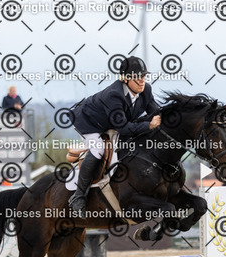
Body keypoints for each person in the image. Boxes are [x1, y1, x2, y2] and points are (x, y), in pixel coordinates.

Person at [68, 56, 160, 214]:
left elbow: (155, 112)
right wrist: (149, 125)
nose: (142, 81)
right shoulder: (114, 95)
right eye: (137, 77)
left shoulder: (146, 90)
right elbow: (123, 128)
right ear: (125, 78)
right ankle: (78, 197)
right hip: (88, 122)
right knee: (98, 149)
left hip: (111, 123)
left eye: (143, 76)